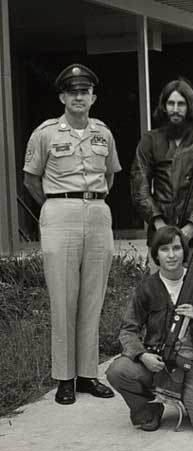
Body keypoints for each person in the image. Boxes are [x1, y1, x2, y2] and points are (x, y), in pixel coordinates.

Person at [23, 63, 121, 405]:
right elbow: (31, 179)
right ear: (63, 97)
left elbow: (110, 176)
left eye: (85, 92)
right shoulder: (46, 133)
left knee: (93, 297)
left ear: (93, 97)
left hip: (97, 212)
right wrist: (58, 202)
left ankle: (88, 374)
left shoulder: (103, 133)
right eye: (73, 92)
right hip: (60, 212)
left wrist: (89, 201)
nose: (79, 97)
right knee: (63, 298)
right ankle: (64, 377)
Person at [130, 79, 193, 396]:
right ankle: (159, 370)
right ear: (164, 106)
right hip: (160, 232)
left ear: (191, 106)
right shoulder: (149, 141)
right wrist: (158, 222)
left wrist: (190, 226)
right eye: (170, 103)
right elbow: (139, 185)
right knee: (159, 301)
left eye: (181, 104)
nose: (175, 109)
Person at [106, 226, 193, 433]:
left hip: (192, 365)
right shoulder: (146, 288)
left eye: (176, 248)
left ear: (184, 252)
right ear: (156, 254)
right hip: (157, 363)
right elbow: (128, 330)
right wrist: (142, 355)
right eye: (164, 249)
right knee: (117, 371)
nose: (171, 255)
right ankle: (148, 409)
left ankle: (192, 398)